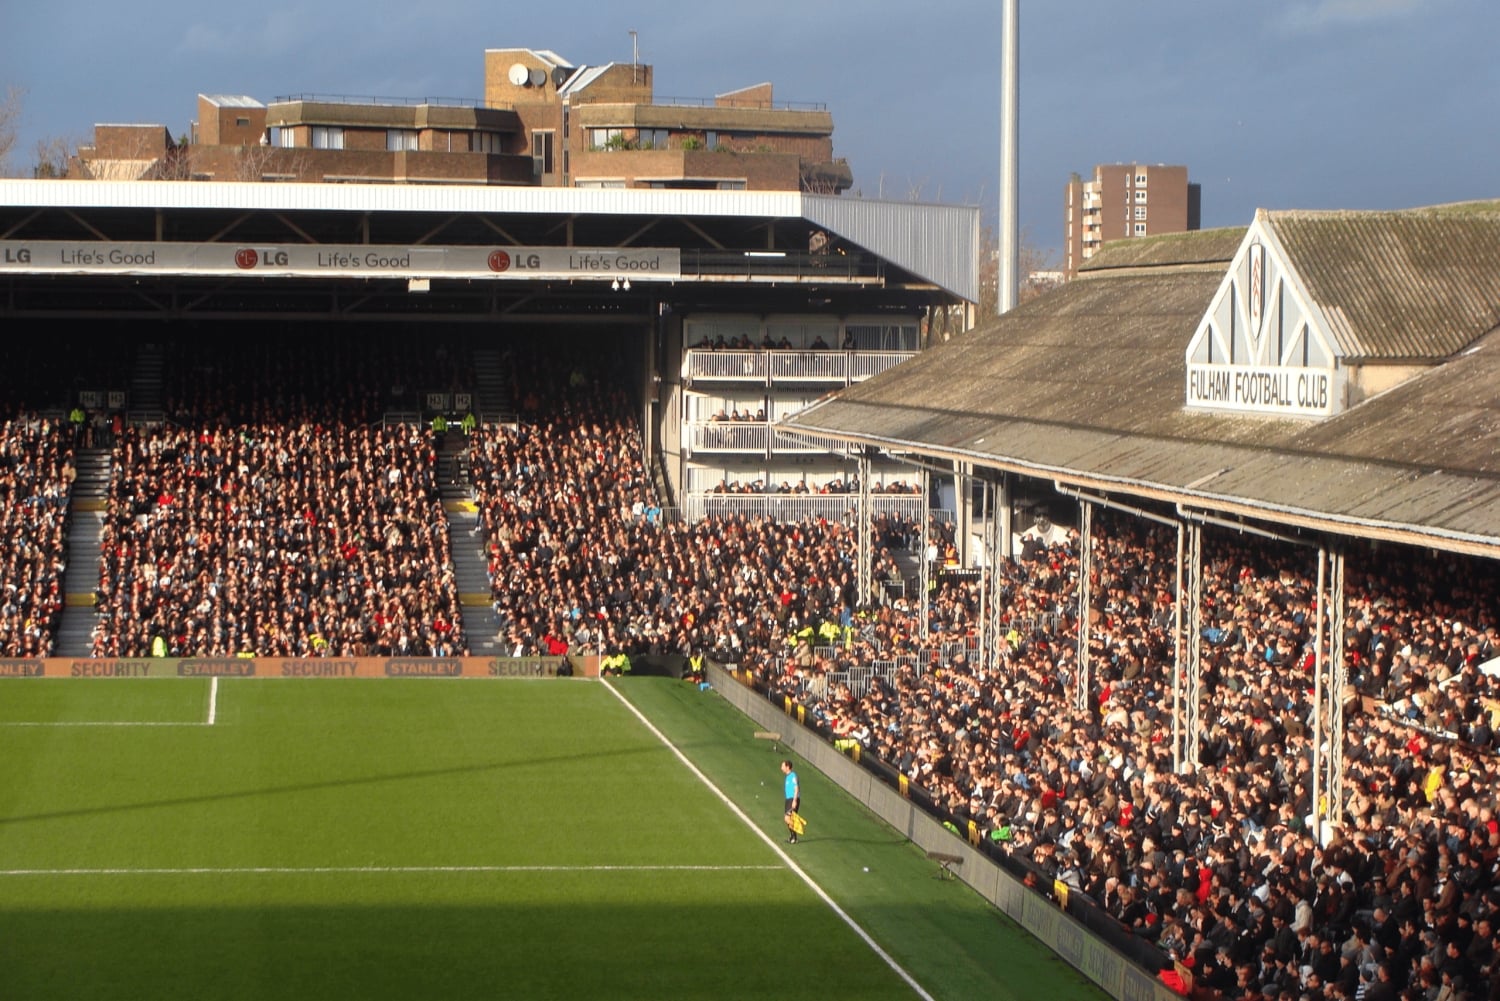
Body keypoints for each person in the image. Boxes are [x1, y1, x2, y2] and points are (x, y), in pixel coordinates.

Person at [781, 759, 802, 844]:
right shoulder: (788, 776)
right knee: (788, 818)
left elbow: (796, 788)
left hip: (792, 799)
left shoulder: (793, 776)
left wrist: (794, 801)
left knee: (787, 818)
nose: (781, 768)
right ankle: (793, 837)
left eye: (783, 766)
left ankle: (794, 837)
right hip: (788, 800)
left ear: (787, 767)